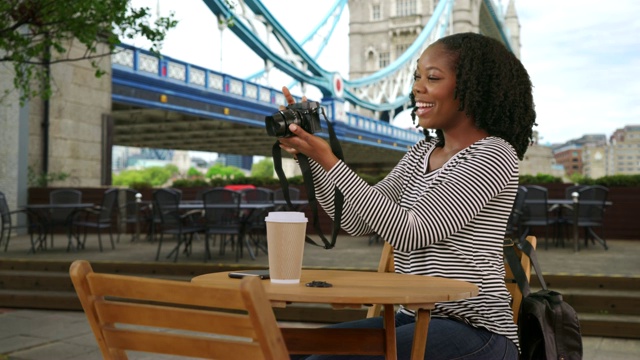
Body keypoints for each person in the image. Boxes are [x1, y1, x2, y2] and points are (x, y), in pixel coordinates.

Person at [277, 32, 536, 359]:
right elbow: (354, 221)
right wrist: (310, 158)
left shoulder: (493, 155)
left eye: (433, 77)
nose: (417, 87)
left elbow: (412, 231)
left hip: (474, 328)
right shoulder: (420, 153)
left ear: (474, 88)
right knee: (287, 349)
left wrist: (331, 160)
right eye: (416, 77)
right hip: (413, 316)